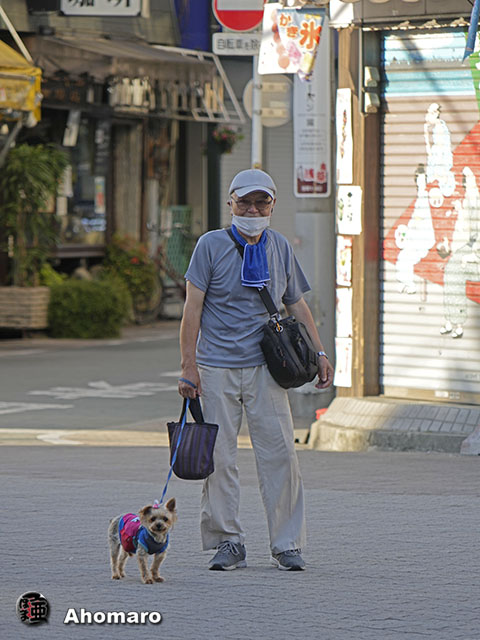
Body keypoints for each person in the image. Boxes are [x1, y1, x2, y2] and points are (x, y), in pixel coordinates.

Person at [178, 168, 334, 572]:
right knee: (219, 457)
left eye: (260, 202)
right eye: (244, 202)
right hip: (216, 366)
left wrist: (319, 351)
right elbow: (192, 308)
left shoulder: (279, 245)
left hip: (268, 366)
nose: (252, 210)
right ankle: (227, 541)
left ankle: (286, 544)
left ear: (272, 205)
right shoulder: (210, 245)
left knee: (281, 454)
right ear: (231, 203)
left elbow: (296, 304)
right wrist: (188, 367)